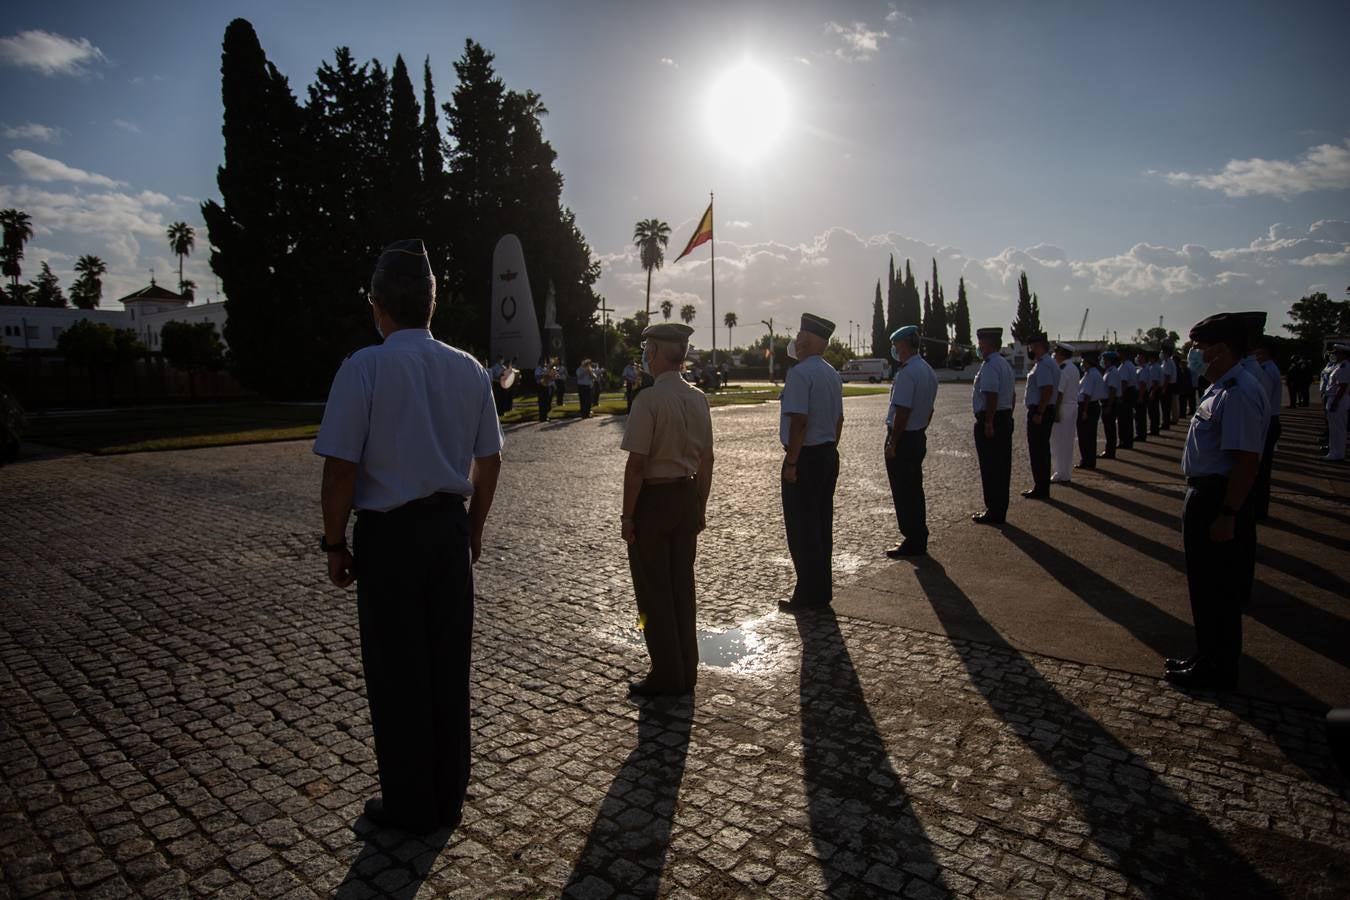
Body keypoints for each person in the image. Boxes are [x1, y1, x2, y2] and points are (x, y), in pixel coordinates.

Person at [314, 238, 503, 832]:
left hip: (390, 537)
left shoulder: (363, 367)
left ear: (378, 306)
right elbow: (490, 460)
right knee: (449, 665)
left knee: (397, 672)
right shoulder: (468, 368)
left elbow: (340, 467)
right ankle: (448, 795)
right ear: (432, 304)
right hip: (448, 531)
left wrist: (334, 542)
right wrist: (472, 531)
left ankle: (407, 799)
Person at [1167, 311, 1267, 690]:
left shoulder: (1239, 391)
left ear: (1221, 350)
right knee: (1204, 586)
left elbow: (1246, 460)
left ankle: (1219, 667)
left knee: (1218, 589)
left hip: (1217, 498)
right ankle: (1207, 654)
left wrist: (1228, 513)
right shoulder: (1220, 387)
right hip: (1205, 493)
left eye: (1198, 348)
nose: (1193, 354)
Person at [620, 321, 714, 697]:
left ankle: (666, 673)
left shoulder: (649, 400)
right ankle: (686, 670)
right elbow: (707, 460)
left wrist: (627, 516)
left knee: (653, 589)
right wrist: (700, 505)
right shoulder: (698, 398)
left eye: (648, 349)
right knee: (682, 586)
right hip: (686, 495)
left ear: (655, 353)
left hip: (655, 501)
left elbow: (637, 466)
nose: (645, 356)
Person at [777, 313, 845, 611]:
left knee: (802, 528)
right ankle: (821, 589)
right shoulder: (831, 372)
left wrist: (792, 462)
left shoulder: (800, 373)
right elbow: (839, 419)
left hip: (805, 457)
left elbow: (799, 421)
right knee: (820, 524)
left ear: (804, 341)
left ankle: (807, 593)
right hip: (827, 453)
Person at [883, 325, 938, 557]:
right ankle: (918, 535)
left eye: (896, 345)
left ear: (904, 345)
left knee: (904, 490)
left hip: (904, 438)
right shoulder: (927, 370)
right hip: (917, 435)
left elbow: (902, 411)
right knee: (914, 488)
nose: (895, 350)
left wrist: (893, 443)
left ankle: (912, 538)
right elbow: (929, 410)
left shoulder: (907, 373)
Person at [970, 327, 1015, 524]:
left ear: (987, 344)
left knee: (990, 467)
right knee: (1002, 466)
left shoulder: (990, 366)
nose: (979, 347)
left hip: (992, 420)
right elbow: (1012, 396)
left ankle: (993, 509)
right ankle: (1000, 508)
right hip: (1004, 418)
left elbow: (991, 395)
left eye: (981, 344)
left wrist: (988, 422)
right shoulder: (1004, 364)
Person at [1022, 332, 1058, 499]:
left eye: (1031, 346)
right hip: (1044, 410)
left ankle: (1041, 487)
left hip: (1040, 411)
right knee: (1041, 450)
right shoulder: (1047, 362)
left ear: (1037, 346)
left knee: (1038, 450)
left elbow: (1047, 390)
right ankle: (1042, 486)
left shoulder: (1043, 364)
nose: (1030, 349)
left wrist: (1040, 412)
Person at [1251, 336, 1283, 518]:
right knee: (1261, 468)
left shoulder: (1267, 371)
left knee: (1261, 469)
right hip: (1269, 420)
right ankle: (1259, 507)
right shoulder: (1269, 369)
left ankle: (1259, 509)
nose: (1257, 356)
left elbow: (1263, 400)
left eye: (1260, 353)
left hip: (1267, 420)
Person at [1049, 343, 1079, 483]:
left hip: (1063, 407)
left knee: (1058, 442)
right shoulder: (1073, 368)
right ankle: (1065, 473)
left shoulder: (1062, 369)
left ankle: (1059, 473)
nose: (1054, 355)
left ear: (1061, 353)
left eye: (1056, 352)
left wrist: (1055, 411)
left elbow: (1059, 392)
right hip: (1072, 406)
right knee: (1067, 441)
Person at [1076, 349, 1107, 469]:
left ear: (1089, 362)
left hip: (1087, 407)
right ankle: (1089, 461)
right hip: (1092, 406)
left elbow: (1087, 394)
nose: (1082, 363)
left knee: (1085, 437)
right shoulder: (1094, 372)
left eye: (1083, 361)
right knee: (1089, 436)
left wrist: (1084, 410)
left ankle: (1086, 461)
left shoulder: (1090, 374)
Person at [1325, 343, 1349, 462]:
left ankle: (1336, 454)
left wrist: (1335, 402)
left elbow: (1342, 386)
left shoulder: (1344, 367)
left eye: (1337, 353)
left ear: (1343, 354)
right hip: (1336, 398)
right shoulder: (1340, 365)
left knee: (1337, 429)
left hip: (1337, 399)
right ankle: (1334, 452)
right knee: (1335, 428)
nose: (1335, 355)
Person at [1100, 350, 1121, 459]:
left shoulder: (1112, 372)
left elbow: (1112, 390)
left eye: (1105, 359)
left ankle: (1110, 452)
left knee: (1110, 428)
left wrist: (1109, 405)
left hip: (1110, 402)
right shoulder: (1109, 371)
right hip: (1107, 401)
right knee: (1108, 428)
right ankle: (1109, 450)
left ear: (1109, 360)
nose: (1103, 361)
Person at [1116, 349, 1136, 450]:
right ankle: (1128, 441)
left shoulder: (1124, 366)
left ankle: (1124, 441)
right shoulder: (1130, 365)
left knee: (1123, 419)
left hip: (1126, 393)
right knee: (1127, 419)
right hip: (1130, 392)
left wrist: (1120, 396)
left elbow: (1124, 382)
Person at [1133, 350, 1151, 442]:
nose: (1138, 358)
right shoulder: (1141, 368)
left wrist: (1140, 396)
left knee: (1140, 415)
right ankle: (1140, 433)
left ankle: (1141, 435)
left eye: (1140, 357)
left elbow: (1143, 384)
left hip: (1141, 393)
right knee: (1139, 415)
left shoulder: (1144, 369)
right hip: (1141, 392)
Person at [1160, 344, 1177, 429]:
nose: (1161, 353)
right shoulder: (1166, 361)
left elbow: (1167, 377)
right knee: (1165, 406)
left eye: (1162, 352)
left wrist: (1164, 388)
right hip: (1168, 386)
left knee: (1166, 406)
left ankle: (1165, 424)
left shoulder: (1168, 362)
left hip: (1168, 386)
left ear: (1166, 352)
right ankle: (1165, 422)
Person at [534, 357, 553, 422]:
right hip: (541, 386)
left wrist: (552, 375)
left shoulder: (545, 369)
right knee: (542, 402)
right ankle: (542, 417)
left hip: (547, 386)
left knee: (547, 402)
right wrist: (545, 374)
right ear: (540, 362)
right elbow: (537, 376)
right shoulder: (538, 369)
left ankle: (545, 416)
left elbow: (550, 377)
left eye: (545, 362)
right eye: (543, 361)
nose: (544, 363)